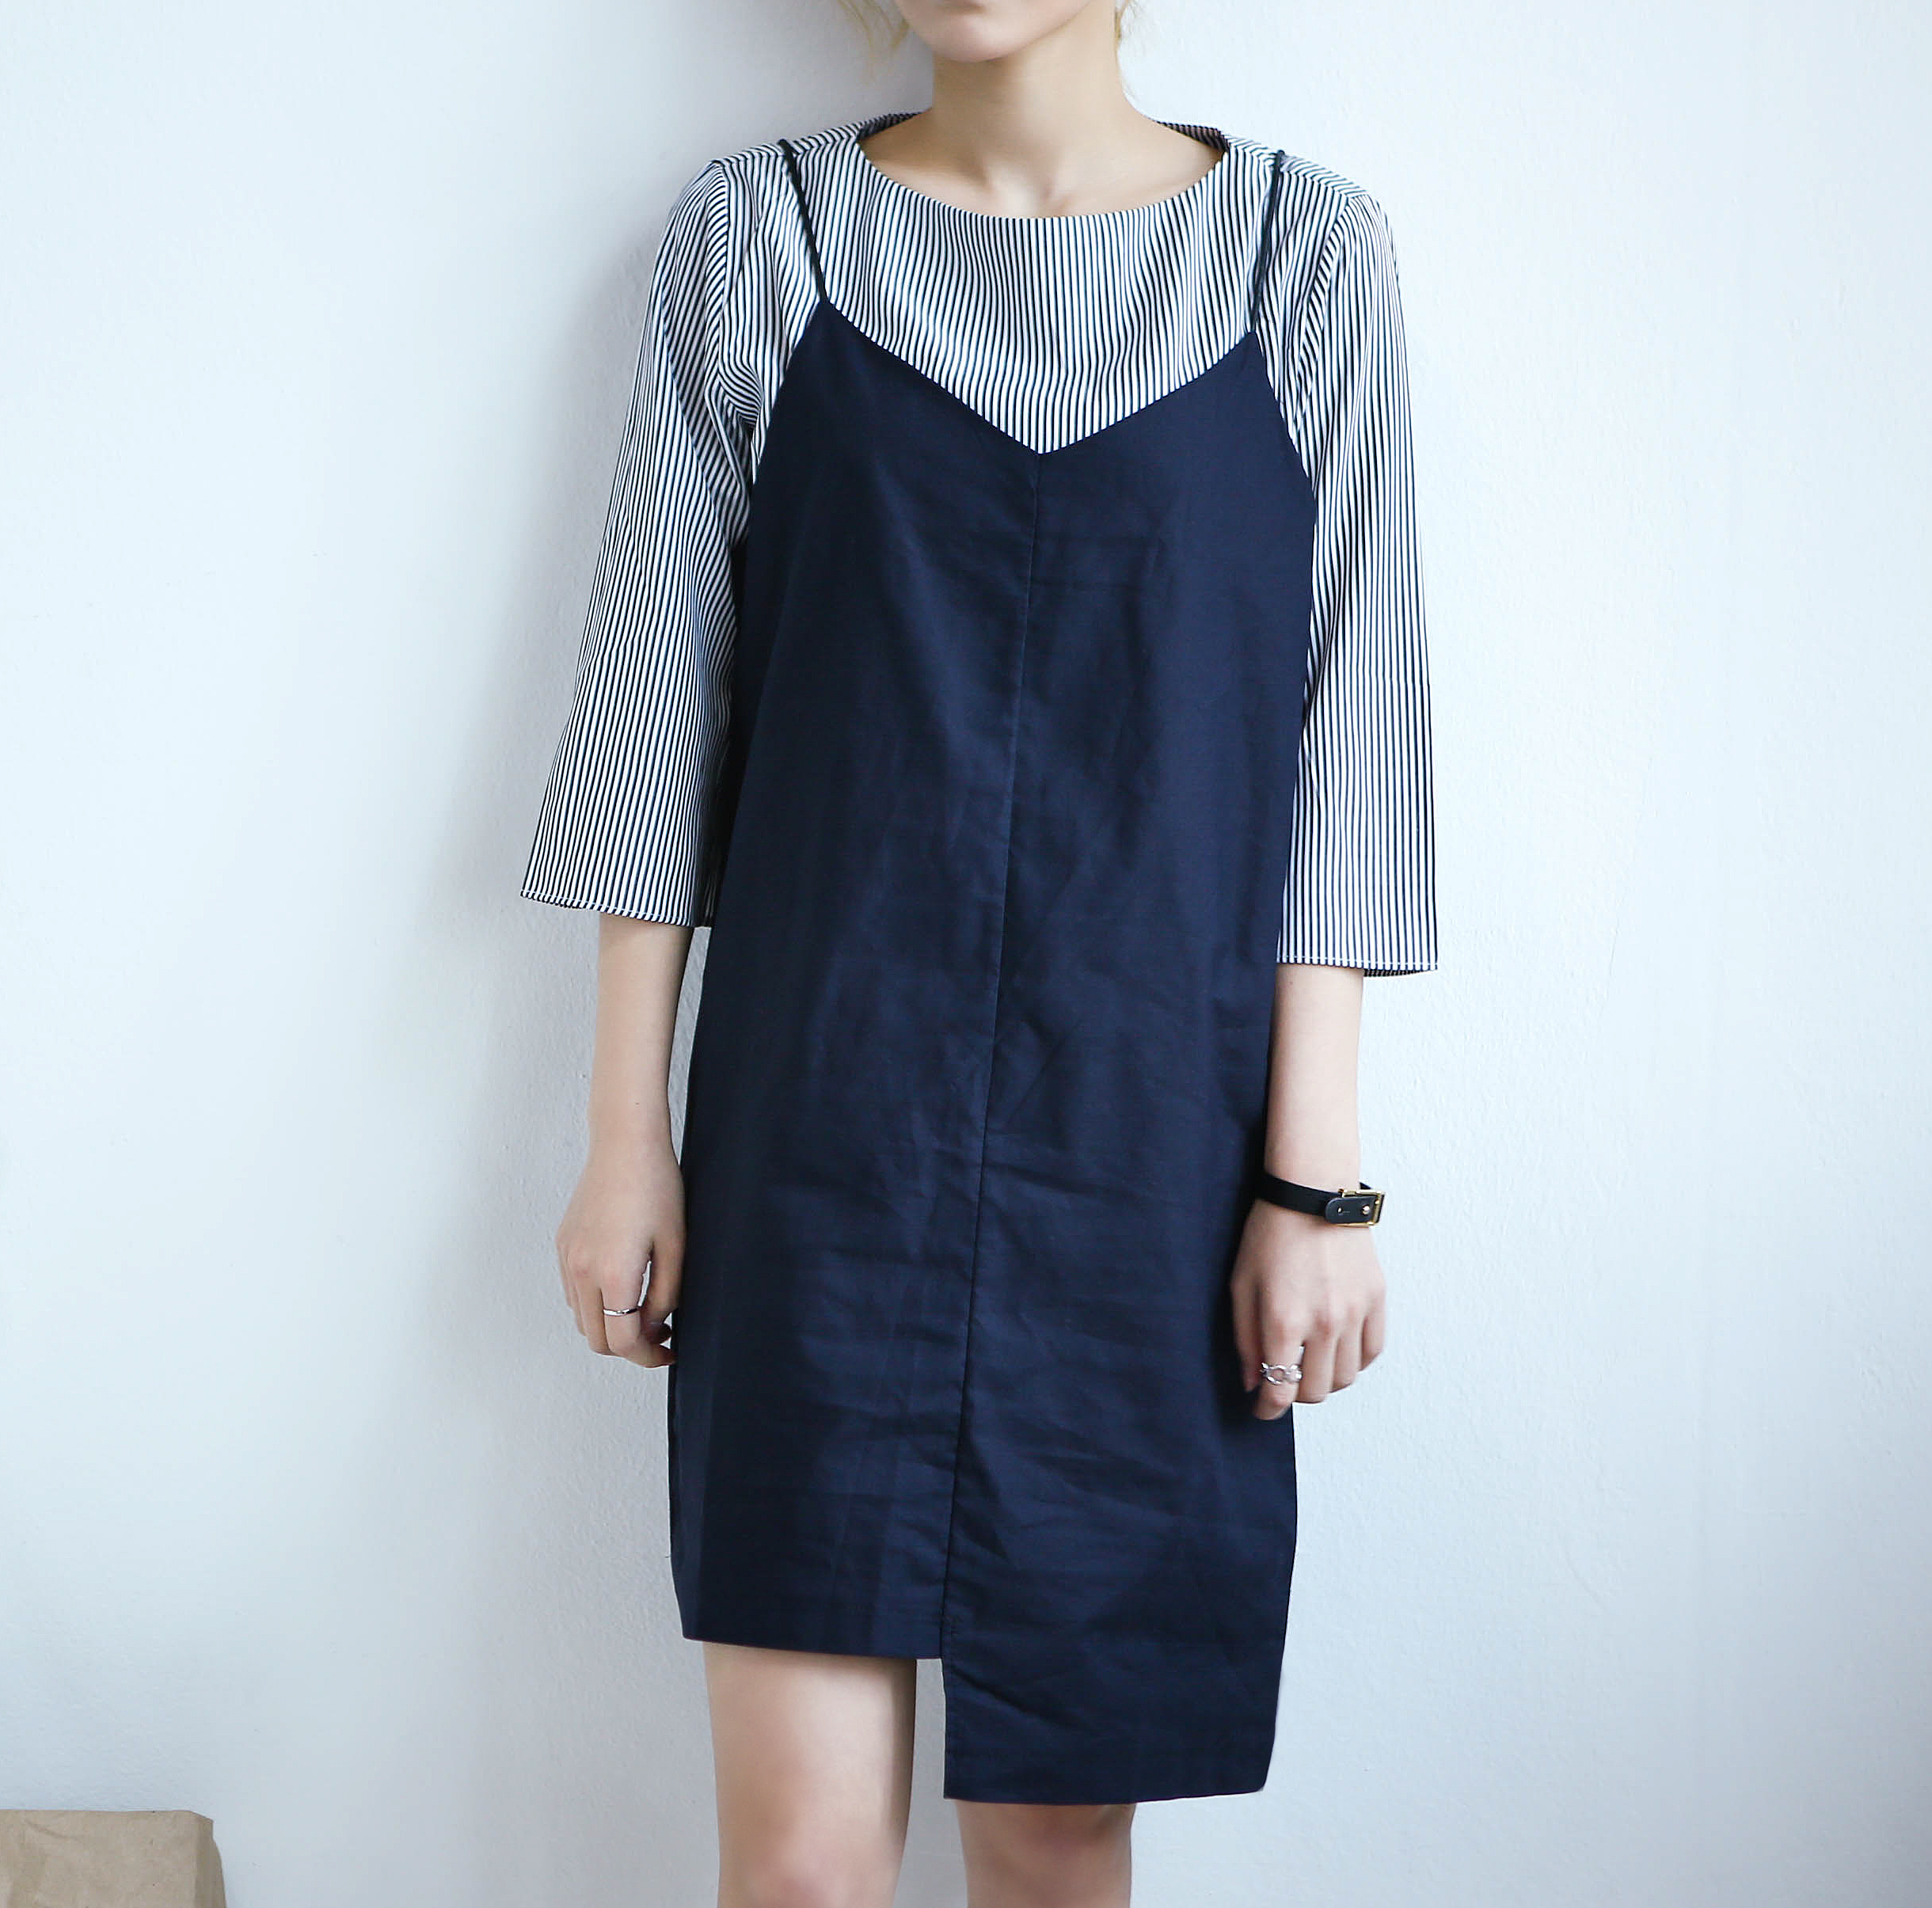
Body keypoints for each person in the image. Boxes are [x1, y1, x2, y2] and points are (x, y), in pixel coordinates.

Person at [521, 1, 1436, 1900]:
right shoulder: (755, 241)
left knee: (1051, 1839)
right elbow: (650, 704)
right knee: (799, 1863)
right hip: (815, 1144)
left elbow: (1349, 734)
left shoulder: (1305, 259)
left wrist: (1315, 1183)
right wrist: (624, 1136)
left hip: (1153, 1169)